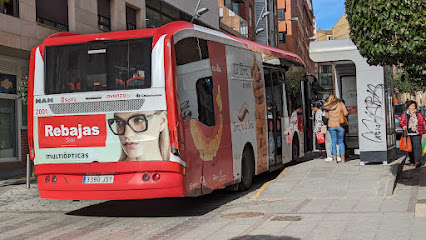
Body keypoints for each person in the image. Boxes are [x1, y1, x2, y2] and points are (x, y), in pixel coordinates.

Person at [399, 100, 426, 168]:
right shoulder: (405, 114)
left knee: (417, 147)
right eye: (411, 106)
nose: (413, 107)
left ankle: (417, 161)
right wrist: (403, 126)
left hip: (417, 133)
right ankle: (412, 161)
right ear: (408, 107)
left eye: (414, 106)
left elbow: (423, 122)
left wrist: (424, 129)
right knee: (410, 148)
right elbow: (401, 122)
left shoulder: (418, 114)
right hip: (409, 133)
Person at [323, 95, 348, 163]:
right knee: (341, 142)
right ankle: (342, 158)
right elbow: (346, 113)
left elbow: (326, 116)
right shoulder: (340, 104)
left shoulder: (328, 106)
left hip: (331, 126)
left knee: (333, 142)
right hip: (340, 125)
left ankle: (335, 158)